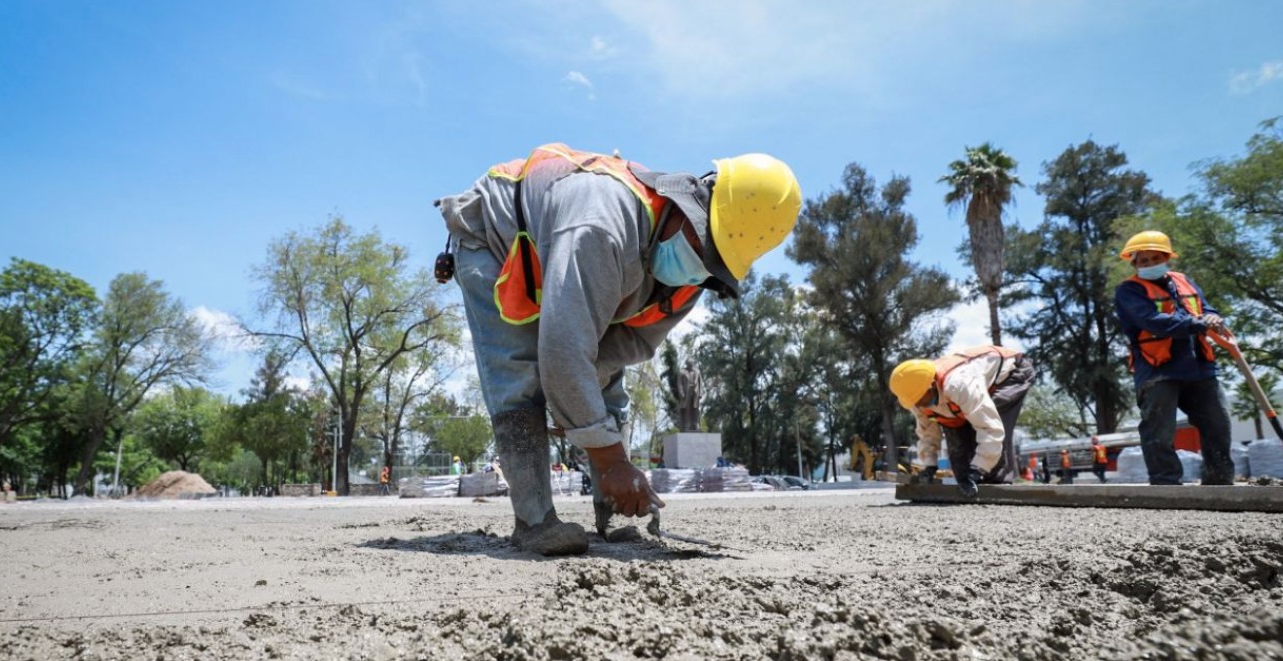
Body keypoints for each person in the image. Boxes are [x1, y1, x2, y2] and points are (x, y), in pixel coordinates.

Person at [435, 142, 801, 555]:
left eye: (715, 262)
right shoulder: (602, 226)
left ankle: (610, 517)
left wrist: (579, 405)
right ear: (688, 206)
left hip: (562, 257)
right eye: (705, 246)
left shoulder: (690, 280)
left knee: (607, 387)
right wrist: (608, 459)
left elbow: (612, 355)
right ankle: (534, 522)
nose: (701, 267)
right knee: (519, 373)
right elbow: (563, 353)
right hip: (493, 240)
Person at [1113, 230, 1233, 486]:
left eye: (1156, 258)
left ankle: (1220, 482)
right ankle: (1166, 484)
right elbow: (1153, 321)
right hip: (1158, 370)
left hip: (1199, 367)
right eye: (1143, 261)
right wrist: (1196, 322)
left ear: (1167, 258)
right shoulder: (1128, 291)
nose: (1150, 264)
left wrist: (1212, 317)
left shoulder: (1184, 282)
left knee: (1218, 425)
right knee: (1159, 431)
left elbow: (1204, 308)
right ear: (1134, 263)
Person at [889, 344, 1036, 498]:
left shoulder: (959, 385)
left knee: (993, 417)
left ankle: (997, 486)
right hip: (967, 389)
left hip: (1010, 374)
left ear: (931, 385)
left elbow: (990, 428)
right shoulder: (915, 397)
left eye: (920, 399)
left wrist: (978, 469)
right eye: (914, 401)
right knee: (960, 461)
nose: (918, 404)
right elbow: (927, 432)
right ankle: (970, 483)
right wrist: (929, 465)